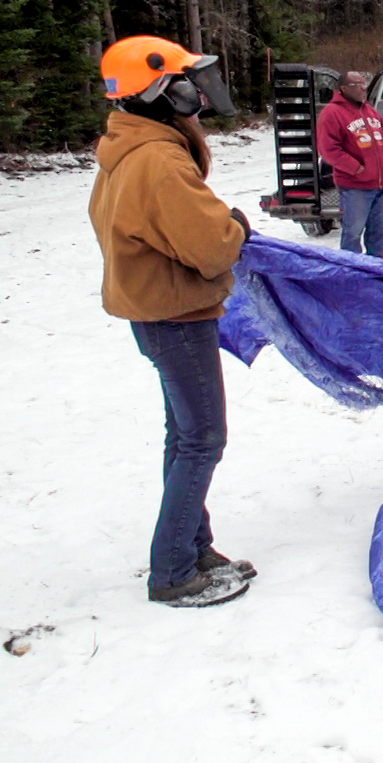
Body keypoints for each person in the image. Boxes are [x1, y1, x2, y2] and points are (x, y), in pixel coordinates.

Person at [88, 35, 257, 608]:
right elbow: (211, 247)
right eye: (185, 81)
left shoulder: (128, 146)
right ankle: (174, 572)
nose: (196, 92)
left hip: (156, 310)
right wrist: (234, 224)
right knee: (203, 439)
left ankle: (192, 544)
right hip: (176, 313)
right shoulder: (158, 160)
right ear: (159, 90)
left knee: (183, 435)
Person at [316, 70, 383, 257]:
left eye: (363, 83)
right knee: (353, 232)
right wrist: (356, 168)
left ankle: (377, 271)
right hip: (355, 186)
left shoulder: (370, 111)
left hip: (382, 184)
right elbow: (329, 149)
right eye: (357, 84)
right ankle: (352, 272)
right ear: (343, 88)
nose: (363, 88)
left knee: (380, 231)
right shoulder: (332, 113)